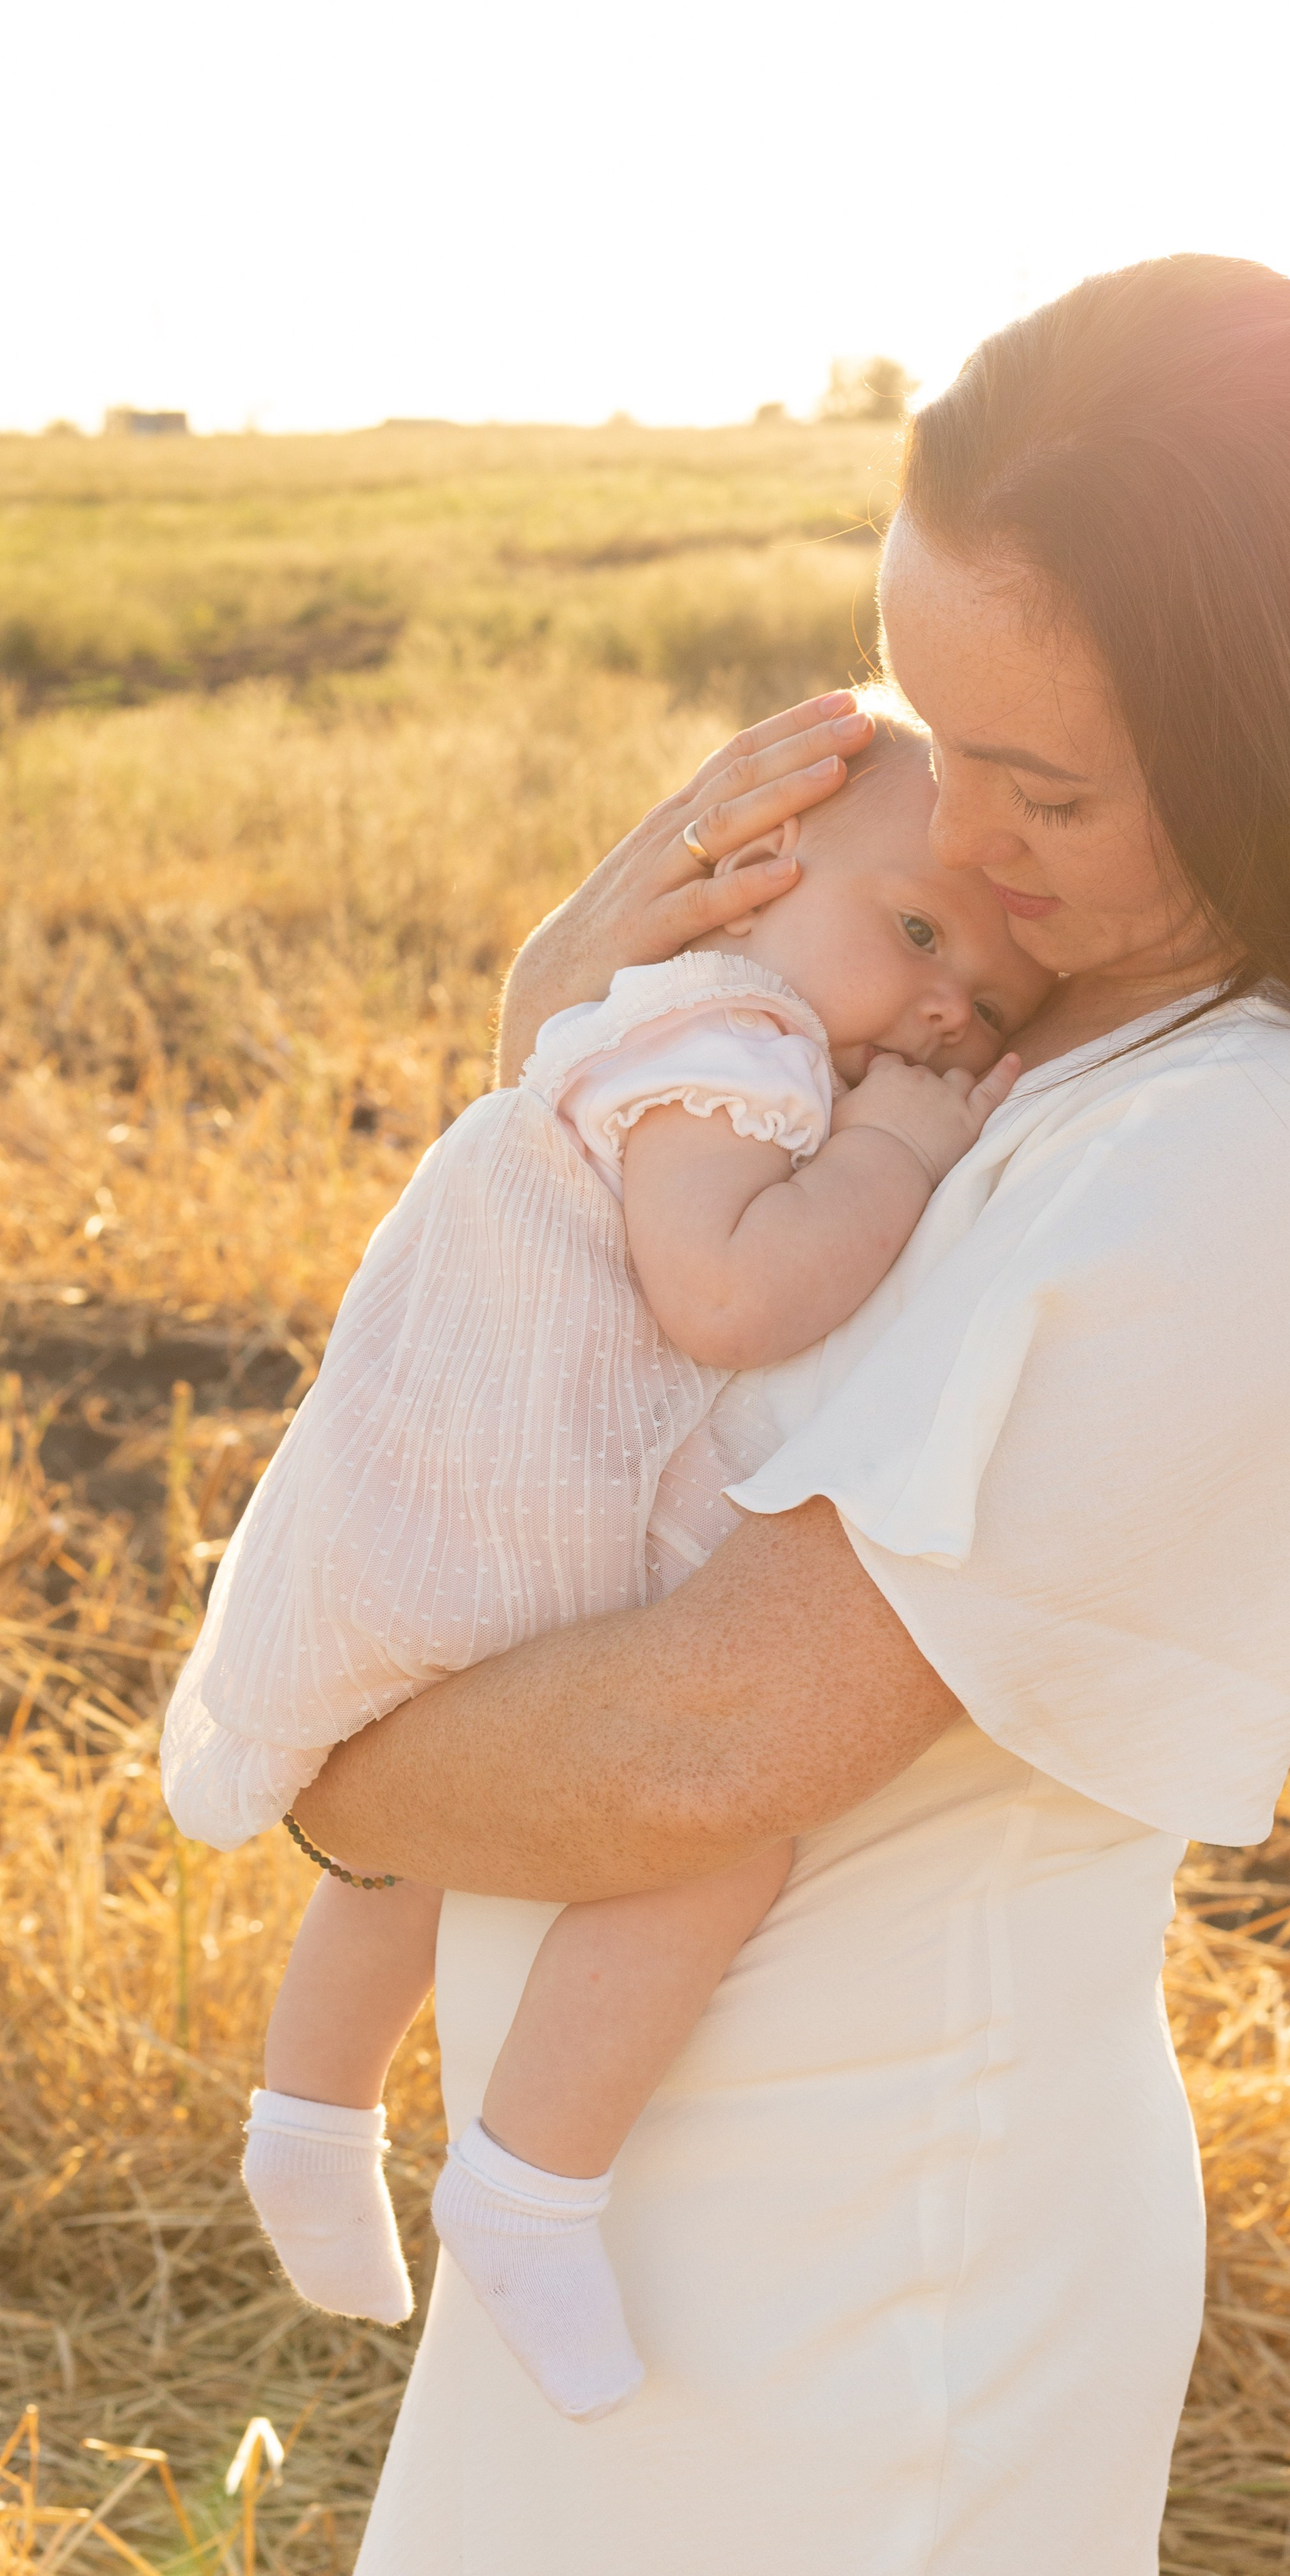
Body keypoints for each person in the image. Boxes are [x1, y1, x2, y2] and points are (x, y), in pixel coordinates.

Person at [297, 256, 1290, 2576]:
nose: (960, 837)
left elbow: (693, 1750)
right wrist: (568, 1043)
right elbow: (583, 1396)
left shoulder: (1266, 1154)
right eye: (937, 734)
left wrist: (307, 1745)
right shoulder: (1035, 1041)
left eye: (1047, 784)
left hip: (857, 2281)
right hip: (670, 2226)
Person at [159, 718, 1047, 2420]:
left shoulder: (686, 1024)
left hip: (469, 1477)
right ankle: (527, 2184)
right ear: (747, 884)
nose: (944, 1009)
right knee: (712, 1833)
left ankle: (310, 2115)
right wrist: (892, 1159)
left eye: (988, 1007)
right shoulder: (745, 1049)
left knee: (412, 1832)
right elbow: (722, 1297)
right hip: (521, 1499)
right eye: (919, 935)